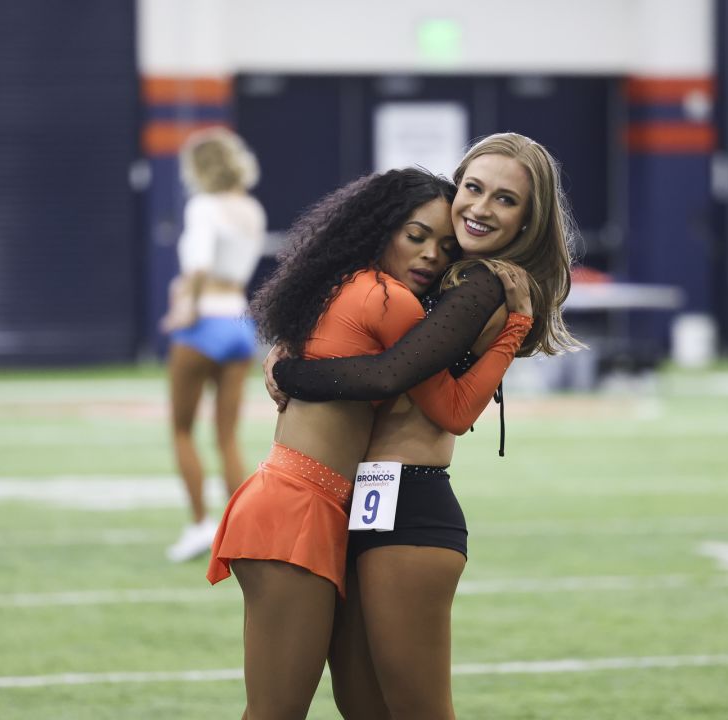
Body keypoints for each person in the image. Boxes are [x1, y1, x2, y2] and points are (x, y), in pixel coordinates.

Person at [264, 132, 584, 719]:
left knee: (418, 711)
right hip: (358, 501)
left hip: (409, 507)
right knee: (364, 708)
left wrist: (293, 371)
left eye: (506, 200)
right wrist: (292, 339)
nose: (482, 208)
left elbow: (400, 380)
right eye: (474, 188)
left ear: (529, 220)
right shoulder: (439, 270)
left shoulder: (486, 283)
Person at [207, 167, 533, 719]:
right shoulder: (390, 301)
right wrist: (516, 325)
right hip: (301, 506)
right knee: (276, 711)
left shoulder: (336, 287)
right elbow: (451, 408)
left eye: (445, 246)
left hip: (307, 499)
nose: (432, 254)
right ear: (380, 229)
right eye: (415, 235)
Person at [160, 128, 267, 563]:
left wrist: (186, 305)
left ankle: (200, 525)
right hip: (240, 323)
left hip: (205, 320)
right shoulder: (252, 208)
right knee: (228, 438)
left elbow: (200, 264)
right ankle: (239, 531)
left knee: (183, 429)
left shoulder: (203, 206)